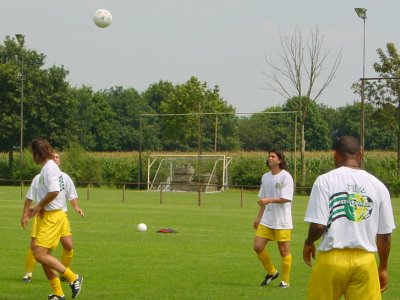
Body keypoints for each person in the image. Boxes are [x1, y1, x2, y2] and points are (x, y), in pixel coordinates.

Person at [303, 136, 395, 300]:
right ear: (361, 154)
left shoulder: (325, 181)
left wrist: (309, 242)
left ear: (335, 154)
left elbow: (318, 226)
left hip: (332, 259)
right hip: (365, 261)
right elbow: (385, 236)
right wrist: (383, 268)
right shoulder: (378, 186)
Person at [21, 138, 83, 300]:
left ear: (37, 153)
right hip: (52, 215)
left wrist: (39, 206)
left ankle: (73, 277)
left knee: (40, 255)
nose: (32, 157)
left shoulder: (49, 169)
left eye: (32, 154)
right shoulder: (48, 169)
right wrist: (37, 208)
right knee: (43, 257)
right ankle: (58, 293)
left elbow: (54, 191)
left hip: (52, 217)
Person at [253, 149, 294, 288]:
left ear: (279, 160)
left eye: (273, 156)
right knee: (258, 247)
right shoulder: (265, 177)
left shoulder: (286, 177)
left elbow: (286, 198)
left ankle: (285, 281)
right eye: (269, 156)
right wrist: (258, 217)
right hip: (267, 219)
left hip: (282, 221)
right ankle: (271, 271)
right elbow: (263, 199)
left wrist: (269, 200)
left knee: (283, 250)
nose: (270, 158)